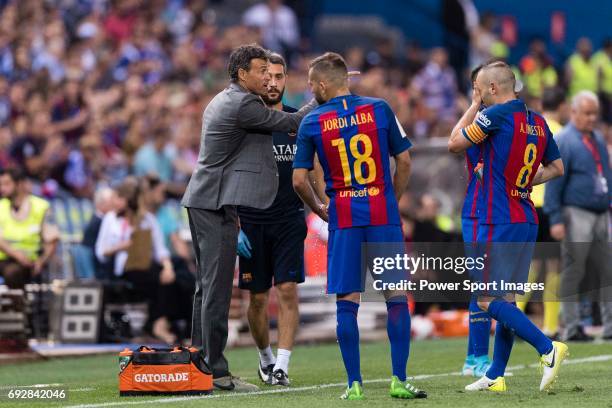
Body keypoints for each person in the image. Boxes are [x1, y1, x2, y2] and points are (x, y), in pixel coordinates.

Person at [181, 43, 316, 392]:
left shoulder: (227, 98)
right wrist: (320, 97)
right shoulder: (243, 103)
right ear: (243, 74)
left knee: (206, 289)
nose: (266, 78)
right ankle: (218, 372)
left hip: (207, 201)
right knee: (217, 291)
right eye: (260, 71)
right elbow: (290, 121)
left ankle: (199, 362)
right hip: (214, 204)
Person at [292, 52, 427, 400]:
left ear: (322, 84)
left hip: (345, 217)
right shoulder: (380, 109)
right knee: (396, 296)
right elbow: (406, 161)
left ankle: (354, 384)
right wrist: (391, 200)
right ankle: (399, 379)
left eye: (311, 84)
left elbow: (298, 180)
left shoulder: (312, 122)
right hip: (382, 215)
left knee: (347, 300)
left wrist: (321, 208)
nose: (310, 91)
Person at [448, 61, 566, 392]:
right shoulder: (538, 122)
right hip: (525, 216)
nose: (479, 96)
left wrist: (473, 106)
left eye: (480, 90)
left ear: (493, 89)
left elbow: (454, 143)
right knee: (508, 298)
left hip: (497, 218)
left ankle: (548, 348)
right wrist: (526, 180)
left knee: (486, 298)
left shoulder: (495, 116)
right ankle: (496, 373)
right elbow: (556, 167)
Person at [236, 53, 309, 387]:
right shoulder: (246, 122)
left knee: (288, 290)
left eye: (279, 76)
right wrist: (233, 220)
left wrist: (323, 207)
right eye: (268, 76)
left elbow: (313, 171)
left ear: (286, 80)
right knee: (258, 299)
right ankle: (265, 357)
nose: (274, 82)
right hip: (251, 221)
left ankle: (282, 365)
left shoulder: (299, 123)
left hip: (289, 219)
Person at [544, 91, 612, 342]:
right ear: (573, 113)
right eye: (587, 113)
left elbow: (605, 173)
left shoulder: (596, 138)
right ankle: (572, 327)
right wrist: (556, 219)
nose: (592, 118)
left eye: (595, 113)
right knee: (574, 270)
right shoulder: (564, 140)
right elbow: (554, 183)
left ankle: (609, 325)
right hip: (576, 212)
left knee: (607, 270)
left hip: (600, 212)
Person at [95, 177, 177, 344]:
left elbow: (160, 249)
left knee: (174, 275)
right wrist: (123, 246)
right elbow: (100, 252)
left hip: (144, 265)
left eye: (120, 198)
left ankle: (161, 324)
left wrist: (168, 267)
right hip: (122, 269)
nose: (116, 202)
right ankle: (157, 324)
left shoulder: (147, 220)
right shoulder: (111, 219)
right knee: (157, 279)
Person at [516, 87, 569, 339]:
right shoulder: (561, 131)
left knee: (531, 267)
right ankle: (550, 325)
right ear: (562, 105)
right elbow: (560, 171)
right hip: (550, 205)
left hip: (528, 202)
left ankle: (514, 319)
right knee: (554, 268)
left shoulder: (530, 126)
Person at [460, 63, 491, 378]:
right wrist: (472, 105)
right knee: (483, 286)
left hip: (497, 212)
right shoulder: (480, 123)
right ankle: (479, 358)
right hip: (478, 213)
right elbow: (455, 142)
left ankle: (474, 358)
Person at [0, 168, 59, 289]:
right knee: (11, 270)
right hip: (5, 259)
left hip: (30, 261)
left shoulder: (41, 207)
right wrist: (17, 255)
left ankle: (17, 306)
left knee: (13, 273)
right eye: (0, 184)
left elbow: (51, 240)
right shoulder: (1, 206)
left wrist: (41, 261)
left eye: (6, 184)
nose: (2, 188)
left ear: (20, 184)